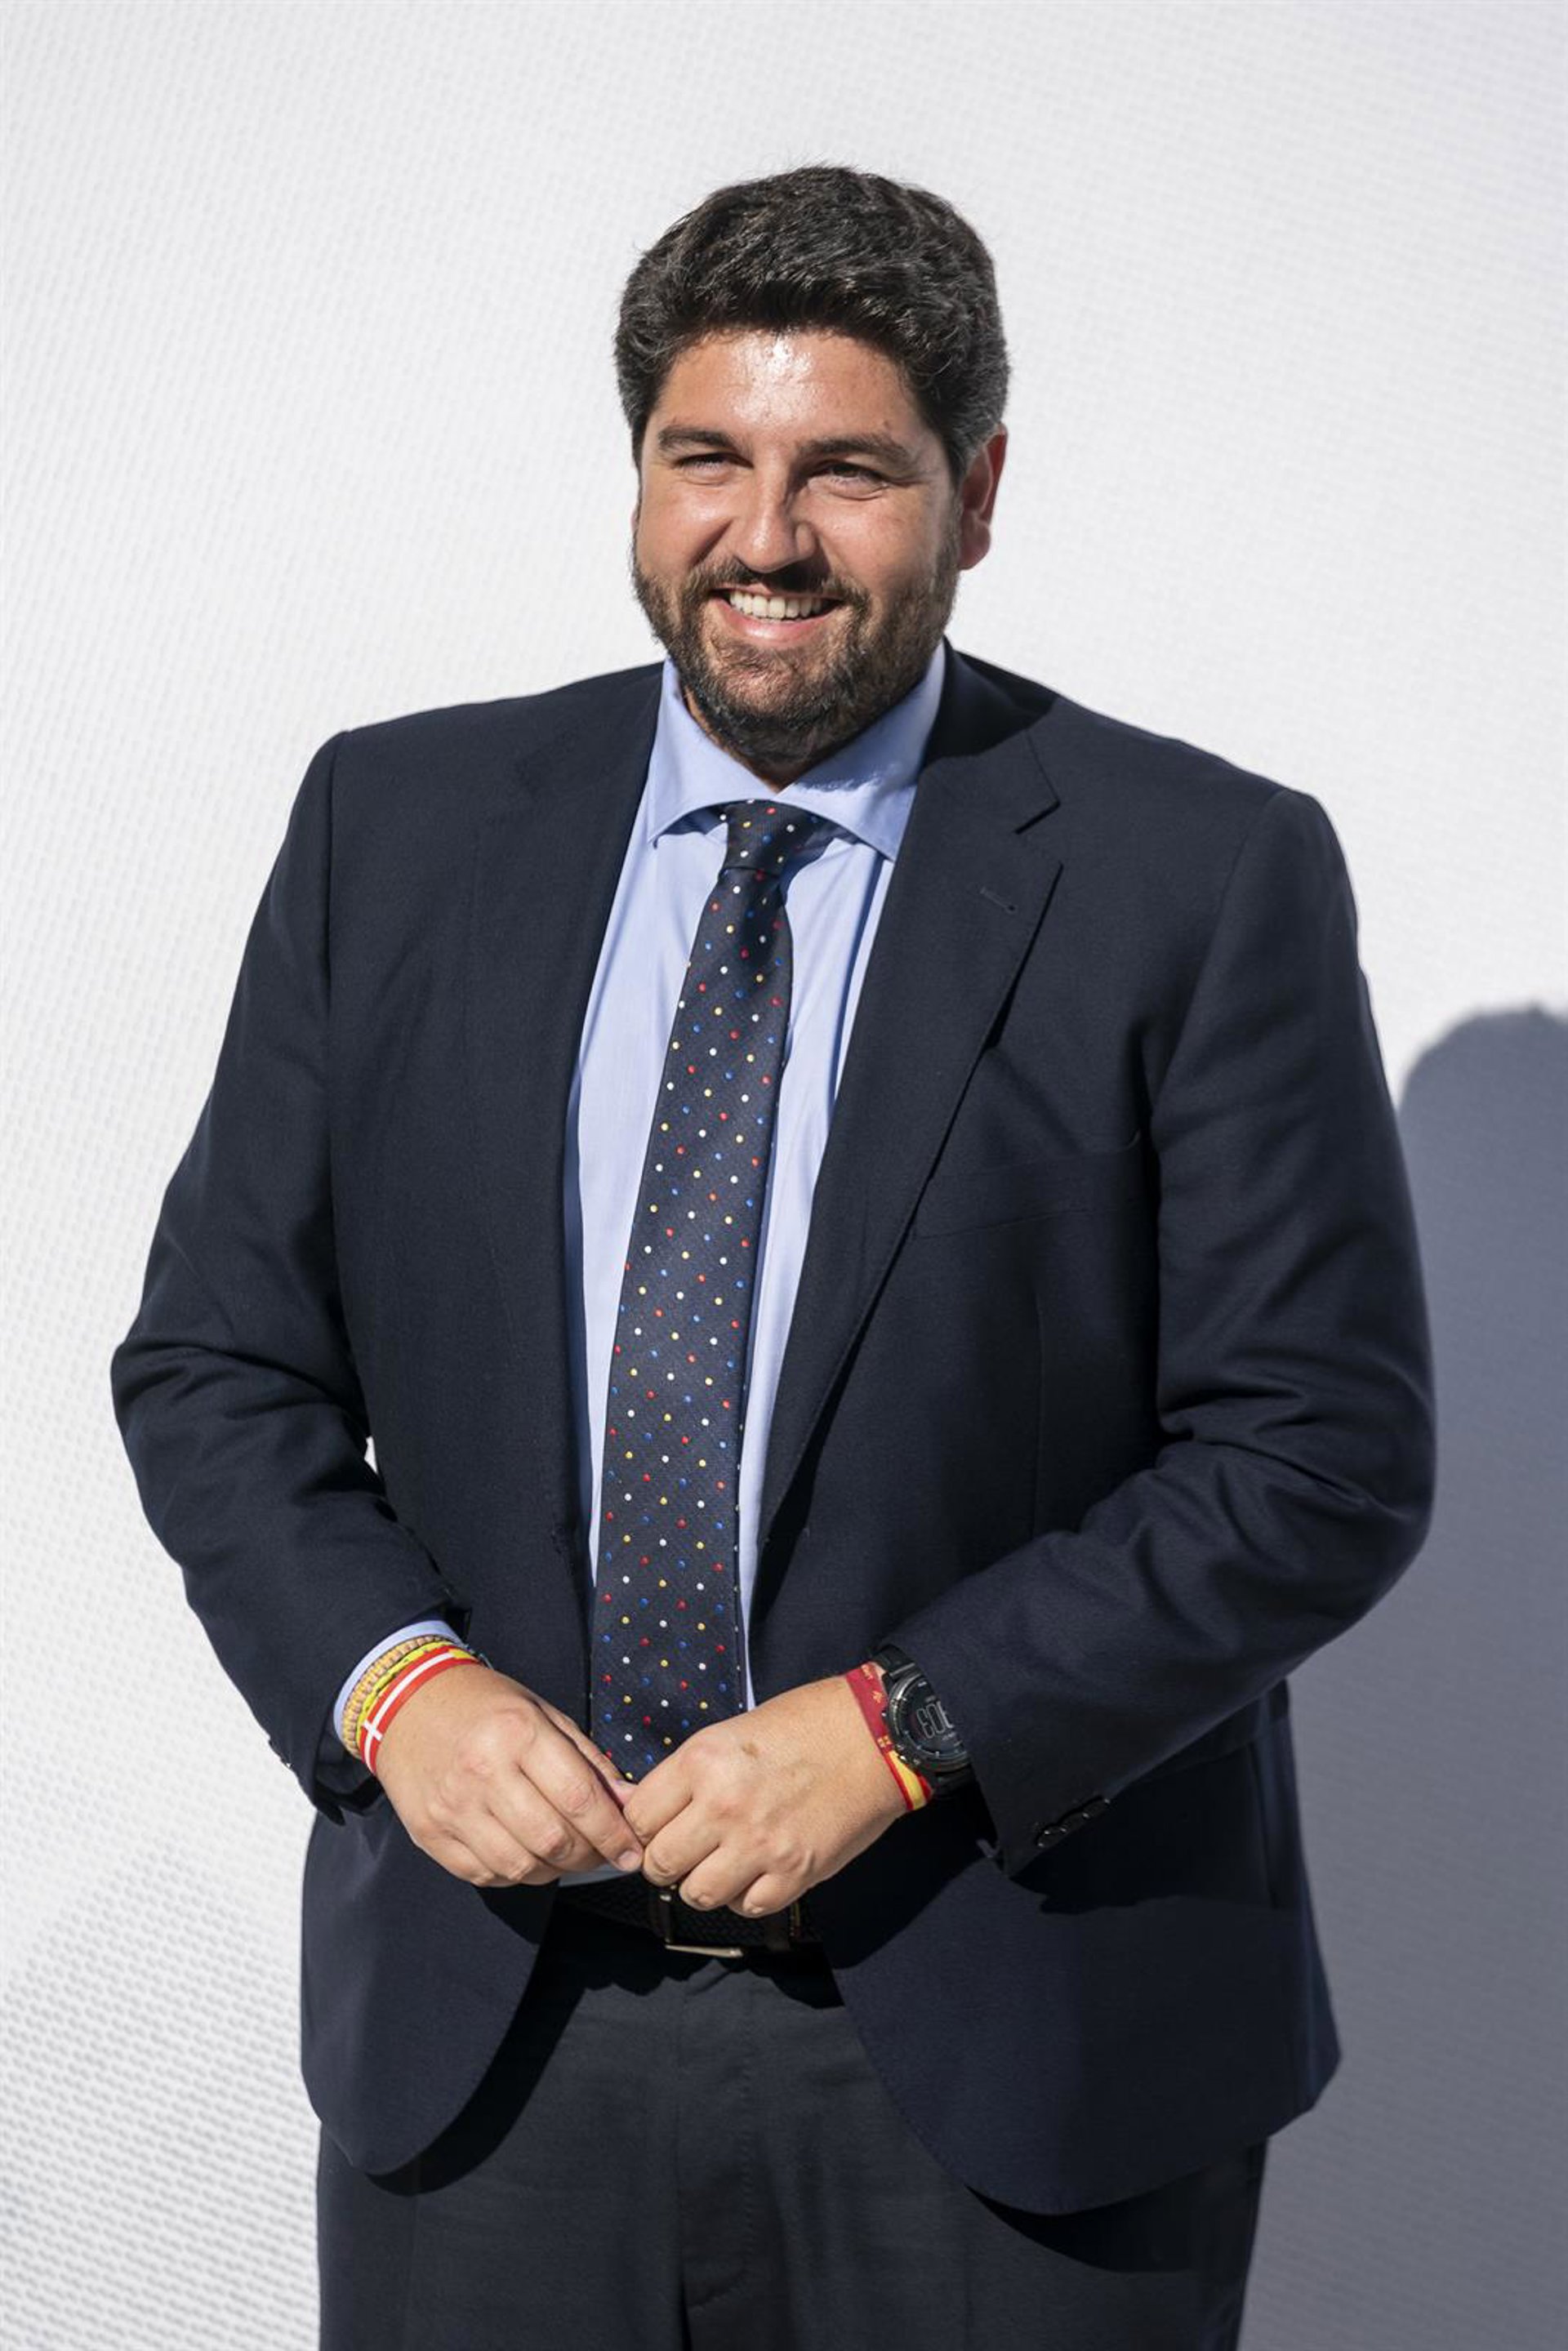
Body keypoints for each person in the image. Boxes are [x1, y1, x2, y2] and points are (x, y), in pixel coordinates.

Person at [109, 164, 1436, 2349]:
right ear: (640, 473)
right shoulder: (394, 832)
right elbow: (219, 1364)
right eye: (705, 458)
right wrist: (395, 1686)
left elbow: (1317, 1458)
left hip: (1016, 2055)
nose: (766, 538)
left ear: (976, 495)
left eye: (850, 473)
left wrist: (912, 1729)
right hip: (496, 2043)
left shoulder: (1199, 876)